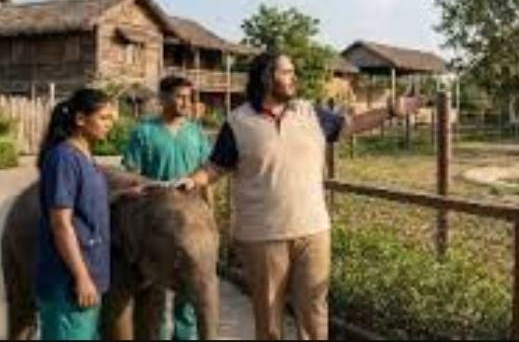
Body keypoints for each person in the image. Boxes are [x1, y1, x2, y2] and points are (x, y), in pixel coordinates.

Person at [179, 51, 423, 340]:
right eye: (286, 72)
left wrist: (391, 110)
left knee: (314, 315)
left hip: (313, 231)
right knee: (269, 321)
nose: (294, 78)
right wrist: (192, 181)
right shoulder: (238, 122)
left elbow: (352, 124)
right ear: (266, 77)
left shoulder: (310, 114)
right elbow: (215, 167)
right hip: (262, 236)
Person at [35, 88, 140, 340]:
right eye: (103, 118)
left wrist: (122, 195)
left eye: (111, 119)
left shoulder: (85, 157)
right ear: (80, 119)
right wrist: (81, 277)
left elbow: (84, 204)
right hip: (67, 283)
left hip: (87, 279)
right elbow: (61, 223)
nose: (109, 125)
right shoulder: (63, 158)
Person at [122, 76, 211, 340]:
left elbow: (206, 175)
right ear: (163, 98)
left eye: (189, 97)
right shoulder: (144, 132)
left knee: (190, 290)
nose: (186, 102)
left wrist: (210, 214)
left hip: (192, 223)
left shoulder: (196, 133)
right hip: (156, 223)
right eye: (179, 96)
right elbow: (131, 175)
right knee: (155, 289)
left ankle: (185, 336)